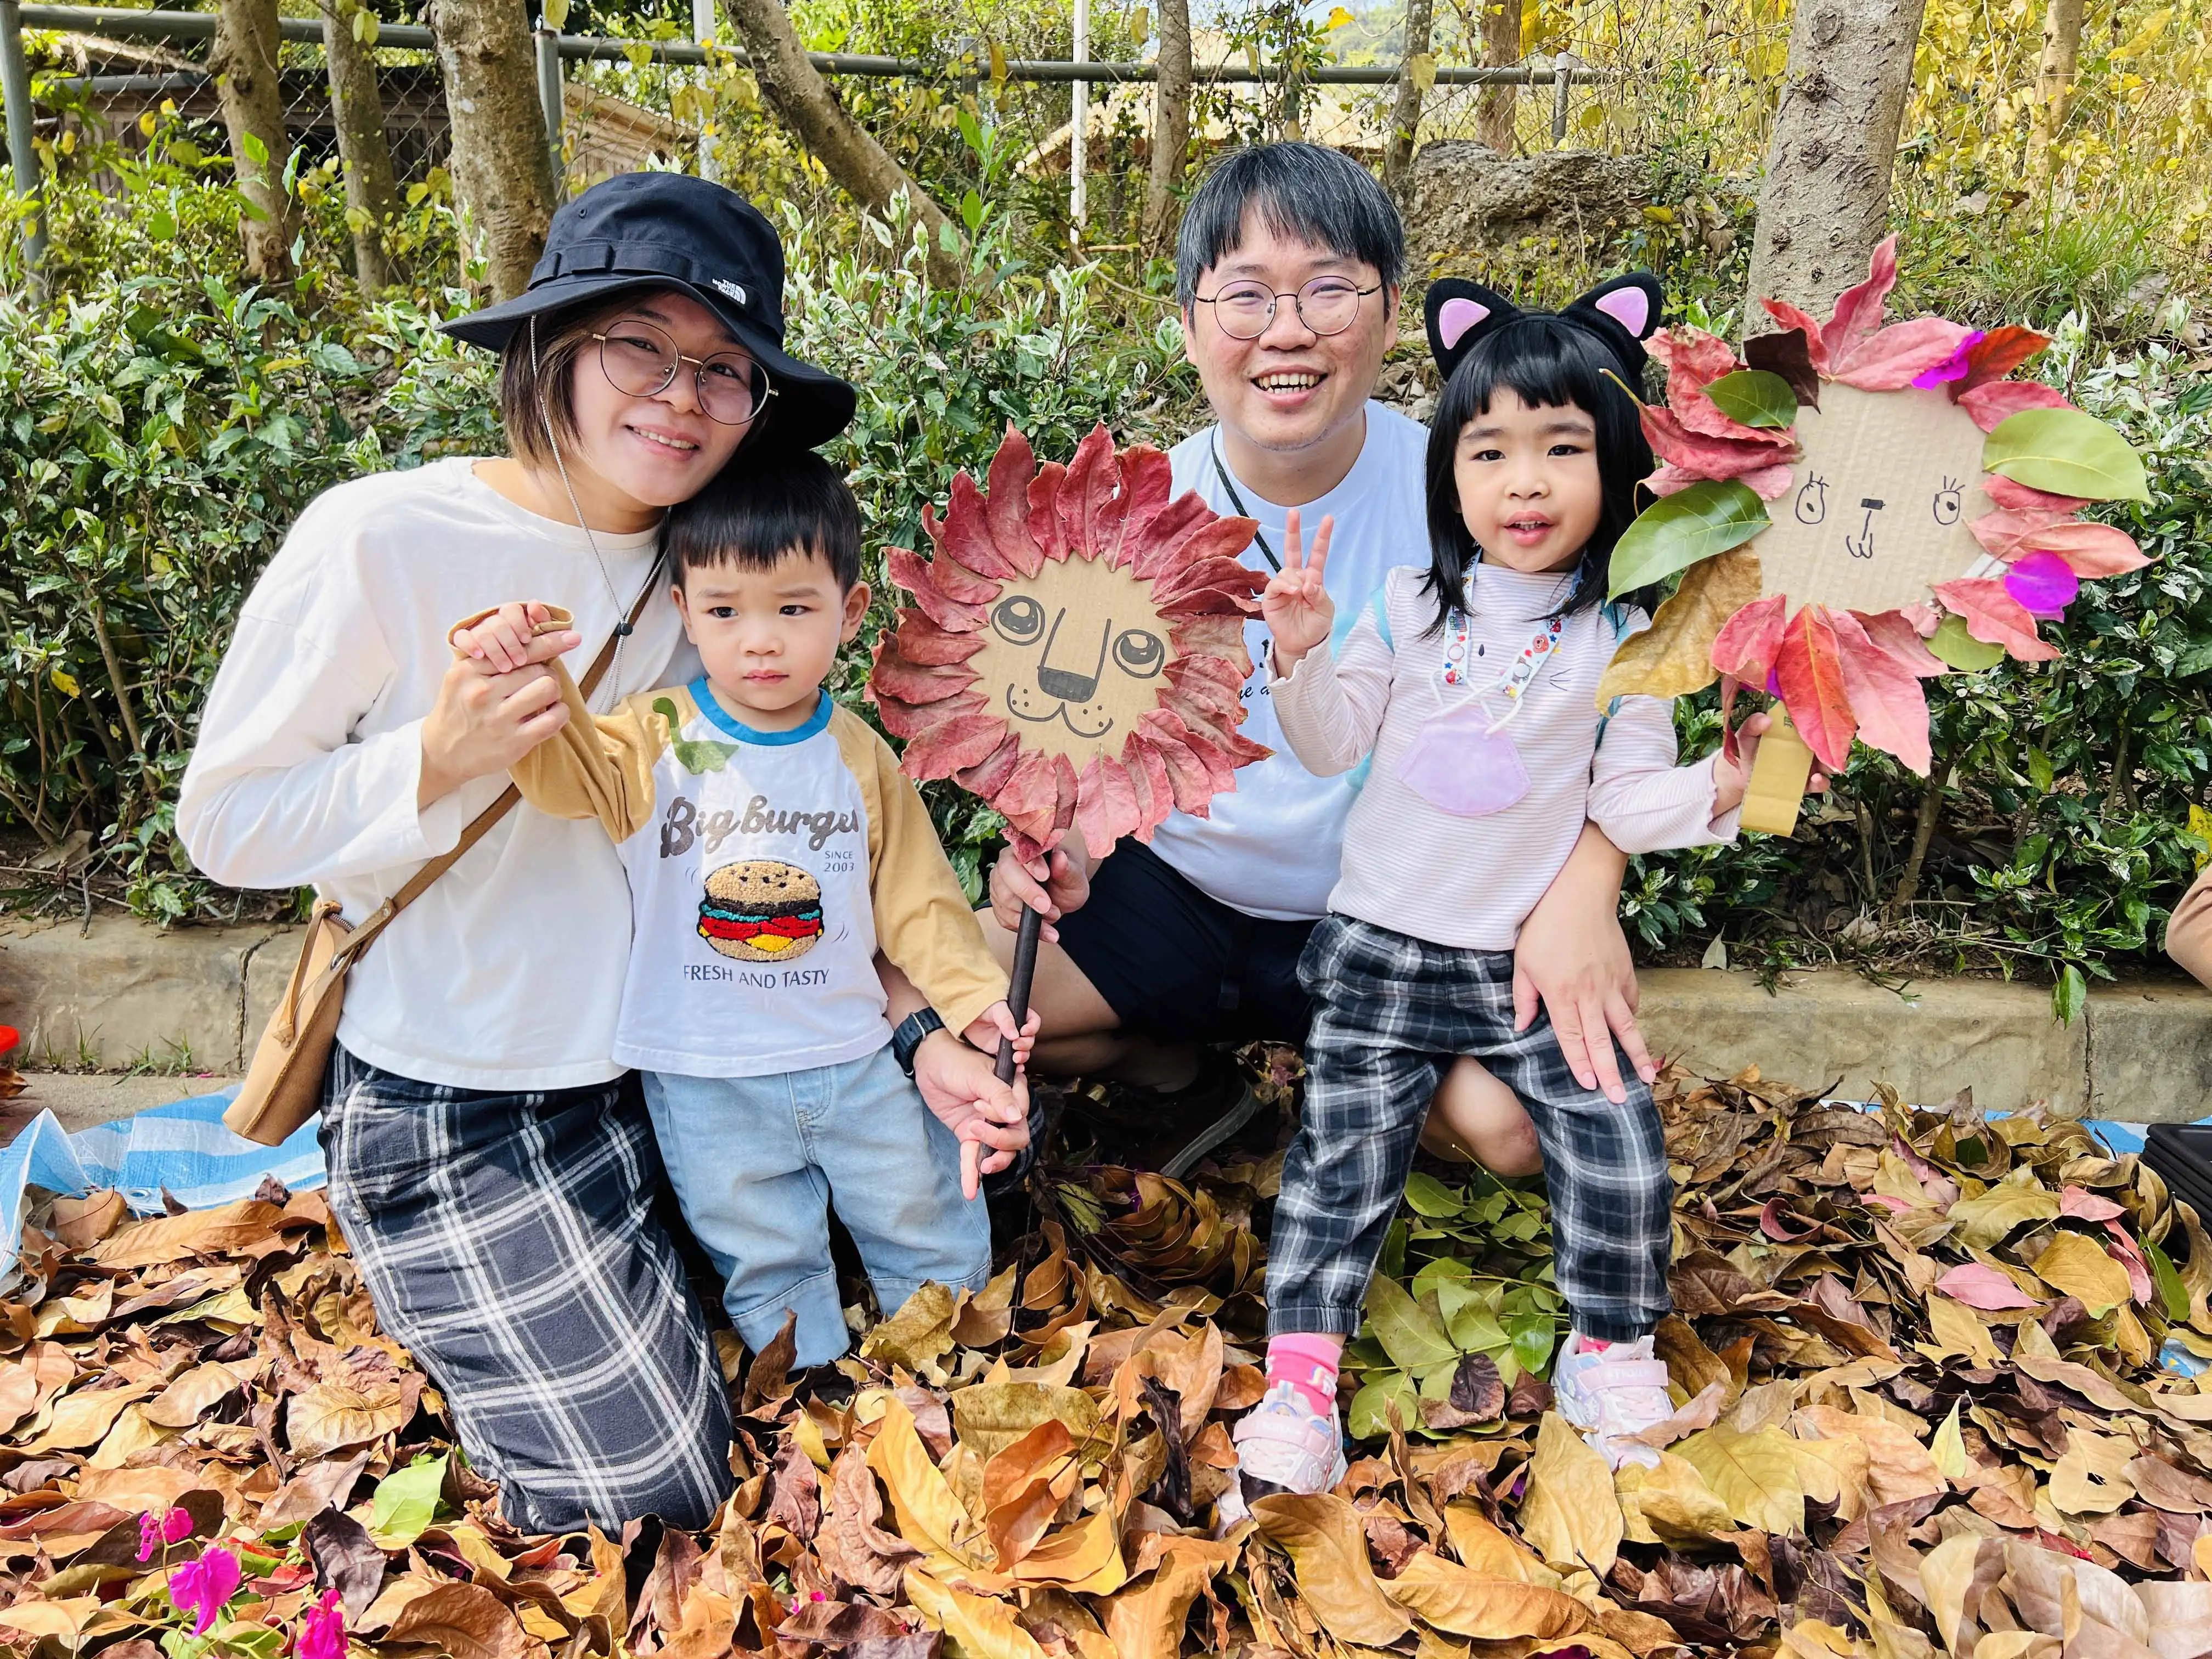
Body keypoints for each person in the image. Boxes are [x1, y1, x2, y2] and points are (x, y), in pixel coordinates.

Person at [177, 174, 1024, 1533]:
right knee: (655, 1489)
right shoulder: (382, 536)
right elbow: (222, 825)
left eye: (723, 370)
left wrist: (925, 1023)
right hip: (464, 1103)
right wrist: (436, 757)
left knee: (964, 1212)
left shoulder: (726, 579)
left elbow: (812, 845)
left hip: (678, 1070)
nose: (680, 399)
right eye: (640, 346)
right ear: (554, 349)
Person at [1226, 277, 1807, 1505]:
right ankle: (1300, 1389)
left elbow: (1629, 803)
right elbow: (1333, 744)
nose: (1525, 483)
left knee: (1616, 1134)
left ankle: (1612, 1353)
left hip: (1517, 969)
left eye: (1563, 449)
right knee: (1341, 1162)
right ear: (1451, 477)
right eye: (1489, 452)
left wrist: (1724, 779)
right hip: (1383, 945)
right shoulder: (1406, 607)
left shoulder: (1629, 641)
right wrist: (1298, 652)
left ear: (1618, 469)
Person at [984, 142, 1652, 1175]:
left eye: (1329, 291)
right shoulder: (1128, 510)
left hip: (1391, 910)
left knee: (1514, 1133)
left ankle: (1352, 1074)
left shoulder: (1472, 489)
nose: (1286, 332)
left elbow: (1608, 695)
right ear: (1190, 323)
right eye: (1245, 296)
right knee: (955, 1003)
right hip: (1178, 886)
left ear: (1390, 315)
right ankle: (1177, 1064)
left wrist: (1586, 890)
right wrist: (1052, 848)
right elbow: (1085, 741)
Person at [449, 454, 1034, 1368]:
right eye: (725, 612)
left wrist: (974, 1003)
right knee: (763, 1251)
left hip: (852, 1055)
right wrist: (536, 673)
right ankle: (815, 1390)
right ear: (685, 611)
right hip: (703, 1073)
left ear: (851, 609)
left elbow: (917, 899)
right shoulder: (655, 736)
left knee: (922, 1210)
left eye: (794, 610)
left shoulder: (858, 755)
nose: (760, 642)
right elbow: (567, 778)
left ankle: (954, 1364)